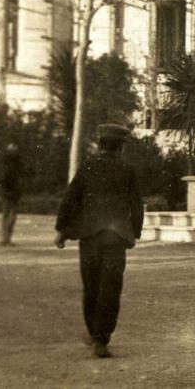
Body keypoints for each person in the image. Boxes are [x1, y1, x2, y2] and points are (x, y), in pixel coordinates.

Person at [54, 123, 145, 359]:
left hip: (90, 236)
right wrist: (135, 233)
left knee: (91, 285)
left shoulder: (88, 167)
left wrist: (62, 230)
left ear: (100, 144)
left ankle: (94, 332)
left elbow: (71, 199)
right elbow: (136, 204)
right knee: (111, 287)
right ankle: (101, 338)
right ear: (121, 147)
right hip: (115, 236)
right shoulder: (128, 170)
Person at [0, 142, 24, 246]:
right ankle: (6, 238)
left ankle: (5, 238)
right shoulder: (16, 162)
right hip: (11, 191)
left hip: (8, 191)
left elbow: (2, 177)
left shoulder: (5, 161)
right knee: (11, 214)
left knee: (8, 215)